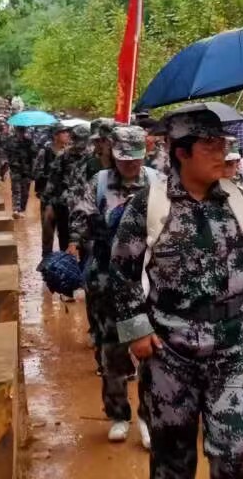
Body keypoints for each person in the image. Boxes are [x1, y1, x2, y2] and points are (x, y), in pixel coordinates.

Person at [110, 106, 243, 479]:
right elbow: (122, 271)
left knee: (238, 455)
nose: (223, 153)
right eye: (210, 146)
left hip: (232, 345)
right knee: (172, 458)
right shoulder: (149, 203)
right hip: (170, 350)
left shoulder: (238, 201)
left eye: (223, 144)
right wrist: (137, 329)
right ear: (182, 152)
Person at [69, 125, 162, 447]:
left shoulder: (157, 182)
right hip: (107, 280)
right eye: (124, 159)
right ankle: (119, 414)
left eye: (136, 158)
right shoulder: (99, 183)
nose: (130, 164)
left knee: (153, 353)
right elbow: (79, 218)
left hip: (148, 280)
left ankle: (148, 418)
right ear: (113, 155)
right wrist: (89, 233)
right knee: (112, 352)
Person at [34, 121, 84, 263]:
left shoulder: (83, 156)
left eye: (68, 132)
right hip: (52, 198)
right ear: (55, 135)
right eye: (63, 132)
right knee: (48, 231)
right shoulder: (48, 152)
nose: (67, 135)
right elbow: (37, 173)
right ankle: (46, 261)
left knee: (66, 234)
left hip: (70, 202)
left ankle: (65, 263)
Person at [6, 124, 35, 218]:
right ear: (16, 130)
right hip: (15, 170)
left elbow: (33, 155)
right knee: (16, 190)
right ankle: (16, 209)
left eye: (22, 130)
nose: (21, 132)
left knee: (25, 192)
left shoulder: (29, 142)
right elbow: (6, 153)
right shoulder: (10, 141)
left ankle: (22, 209)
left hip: (26, 171)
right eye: (19, 130)